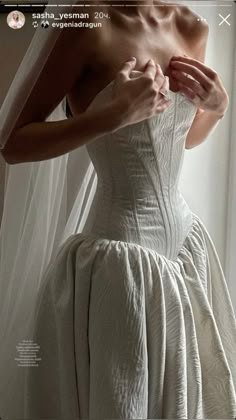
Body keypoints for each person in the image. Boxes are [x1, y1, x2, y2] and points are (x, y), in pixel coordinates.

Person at [0, 0, 236, 418]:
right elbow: (13, 144)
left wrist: (217, 110)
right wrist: (111, 116)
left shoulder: (192, 25)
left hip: (186, 251)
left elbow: (178, 140)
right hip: (119, 259)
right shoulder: (86, 25)